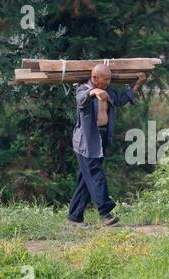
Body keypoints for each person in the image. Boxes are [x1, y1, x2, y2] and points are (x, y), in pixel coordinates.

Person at [68, 63, 146, 227]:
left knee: (85, 179)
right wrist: (93, 91)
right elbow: (81, 99)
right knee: (96, 175)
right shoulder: (82, 89)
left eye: (110, 79)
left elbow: (118, 101)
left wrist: (137, 85)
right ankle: (105, 213)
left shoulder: (107, 90)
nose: (108, 82)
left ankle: (74, 217)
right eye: (105, 79)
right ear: (95, 78)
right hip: (86, 141)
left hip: (101, 138)